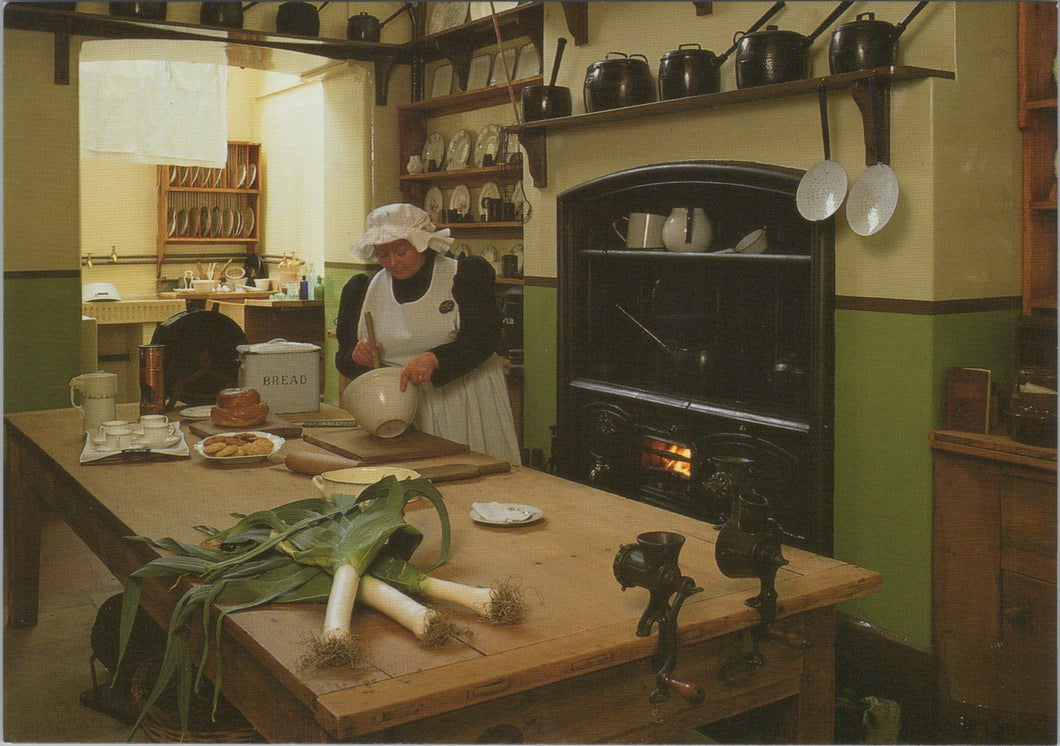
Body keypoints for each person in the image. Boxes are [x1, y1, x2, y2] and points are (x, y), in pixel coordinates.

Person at [336, 203, 520, 464]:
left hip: (465, 400)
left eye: (401, 252)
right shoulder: (362, 290)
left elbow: (484, 340)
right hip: (400, 407)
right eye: (383, 255)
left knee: (473, 476)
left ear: (422, 243)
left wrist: (435, 359)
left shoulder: (464, 275)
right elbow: (343, 358)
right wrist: (357, 356)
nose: (392, 263)